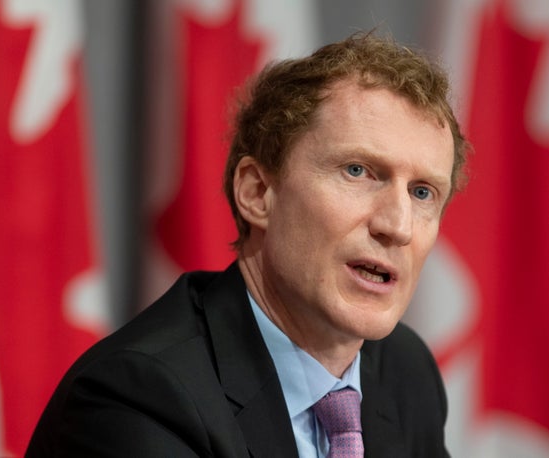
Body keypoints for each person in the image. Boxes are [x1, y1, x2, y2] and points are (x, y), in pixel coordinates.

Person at [27, 31, 469, 457]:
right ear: (257, 193)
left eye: (423, 192)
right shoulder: (138, 398)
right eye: (358, 171)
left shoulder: (403, 372)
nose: (397, 225)